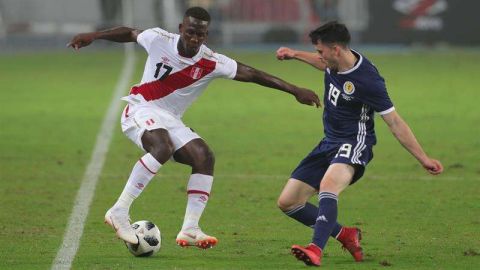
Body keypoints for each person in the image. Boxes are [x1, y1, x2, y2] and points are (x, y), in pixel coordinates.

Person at [67, 7, 320, 249]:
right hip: (140, 109)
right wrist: (95, 36)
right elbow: (130, 33)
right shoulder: (158, 38)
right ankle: (119, 210)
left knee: (204, 156)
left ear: (206, 35)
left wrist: (294, 90)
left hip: (170, 119)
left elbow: (252, 74)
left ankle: (190, 228)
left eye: (200, 34)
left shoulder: (211, 61)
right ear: (181, 29)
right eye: (190, 32)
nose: (194, 38)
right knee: (162, 147)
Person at [275, 21, 443, 266]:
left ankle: (315, 249)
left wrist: (424, 158)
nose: (319, 56)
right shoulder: (334, 62)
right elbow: (321, 63)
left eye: (321, 50)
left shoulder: (368, 80)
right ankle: (346, 234)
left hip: (355, 143)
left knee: (328, 185)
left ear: (335, 49)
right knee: (289, 202)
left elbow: (395, 122)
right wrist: (294, 54)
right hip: (328, 142)